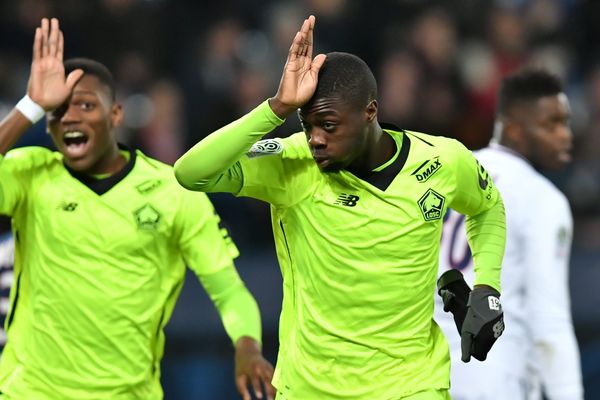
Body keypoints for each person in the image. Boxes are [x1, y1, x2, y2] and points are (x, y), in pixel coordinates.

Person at [175, 15, 506, 400]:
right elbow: (191, 173)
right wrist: (276, 108)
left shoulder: (443, 161)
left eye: (329, 126)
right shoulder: (292, 166)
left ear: (369, 112)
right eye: (307, 125)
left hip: (411, 384)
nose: (315, 139)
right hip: (311, 388)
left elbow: (488, 207)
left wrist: (488, 286)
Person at [0, 18, 275, 400]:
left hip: (127, 393)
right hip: (27, 391)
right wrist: (29, 107)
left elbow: (229, 291)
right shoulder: (28, 173)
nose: (71, 117)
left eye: (85, 105)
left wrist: (248, 346)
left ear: (115, 115)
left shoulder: (172, 192)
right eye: (58, 111)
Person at [435, 69, 584, 399]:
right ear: (514, 130)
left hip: (426, 374)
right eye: (552, 124)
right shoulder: (541, 197)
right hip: (495, 379)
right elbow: (550, 323)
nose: (565, 135)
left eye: (566, 122)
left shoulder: (451, 172)